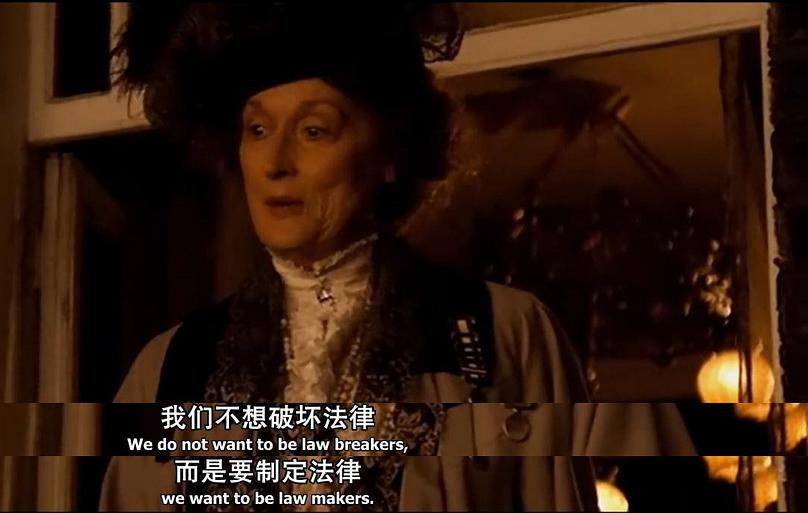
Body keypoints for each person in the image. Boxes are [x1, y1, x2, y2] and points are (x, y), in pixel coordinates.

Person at [100, 3, 694, 511]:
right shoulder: (170, 367)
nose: (275, 163)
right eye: (257, 131)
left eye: (313, 131)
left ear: (390, 153)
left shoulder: (504, 334)